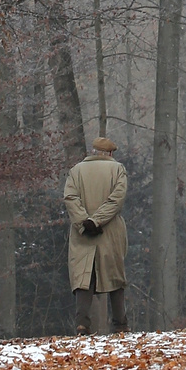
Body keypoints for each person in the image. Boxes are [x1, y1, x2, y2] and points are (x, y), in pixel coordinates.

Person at [64, 136, 129, 334]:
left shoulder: (76, 171)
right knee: (114, 276)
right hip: (110, 231)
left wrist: (84, 221)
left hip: (81, 232)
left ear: (93, 152)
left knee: (83, 277)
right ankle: (120, 325)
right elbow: (116, 200)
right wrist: (97, 220)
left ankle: (82, 324)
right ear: (110, 153)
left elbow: (70, 198)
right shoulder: (117, 170)